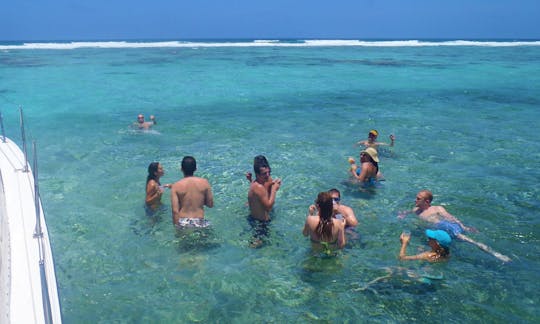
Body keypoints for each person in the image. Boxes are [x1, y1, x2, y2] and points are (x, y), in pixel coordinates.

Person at [402, 190, 511, 262]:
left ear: (426, 201)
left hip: (447, 227)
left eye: (418, 198)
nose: (415, 200)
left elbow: (451, 217)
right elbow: (408, 212)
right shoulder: (416, 210)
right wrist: (403, 214)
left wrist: (464, 227)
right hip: (437, 230)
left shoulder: (437, 209)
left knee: (470, 241)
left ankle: (496, 254)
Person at [170, 156, 214, 229]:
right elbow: (210, 204)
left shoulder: (176, 186)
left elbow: (175, 211)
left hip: (183, 222)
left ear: (181, 169)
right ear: (195, 169)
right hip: (200, 222)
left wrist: (177, 229)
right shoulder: (204, 183)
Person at [247, 157, 282, 222]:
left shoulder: (264, 180)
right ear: (257, 175)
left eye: (269, 172)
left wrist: (251, 180)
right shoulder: (259, 187)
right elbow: (268, 208)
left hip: (259, 218)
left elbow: (263, 195)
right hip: (259, 224)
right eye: (264, 173)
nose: (268, 175)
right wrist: (274, 189)